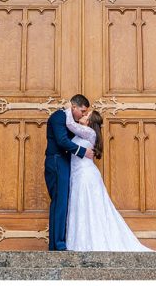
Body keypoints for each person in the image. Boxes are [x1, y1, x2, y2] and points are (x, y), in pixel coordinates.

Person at [63, 106, 152, 252]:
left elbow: (70, 124)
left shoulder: (90, 133)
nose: (84, 115)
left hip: (86, 176)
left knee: (90, 207)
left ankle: (92, 241)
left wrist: (68, 108)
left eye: (87, 115)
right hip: (78, 175)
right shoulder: (83, 133)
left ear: (90, 122)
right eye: (84, 113)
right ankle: (79, 241)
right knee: (80, 206)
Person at [44, 94, 94, 251]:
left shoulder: (70, 121)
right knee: (60, 203)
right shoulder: (59, 117)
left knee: (61, 203)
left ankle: (56, 244)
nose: (84, 114)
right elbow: (62, 141)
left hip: (64, 162)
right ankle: (58, 245)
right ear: (74, 107)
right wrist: (83, 151)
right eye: (82, 111)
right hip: (57, 161)